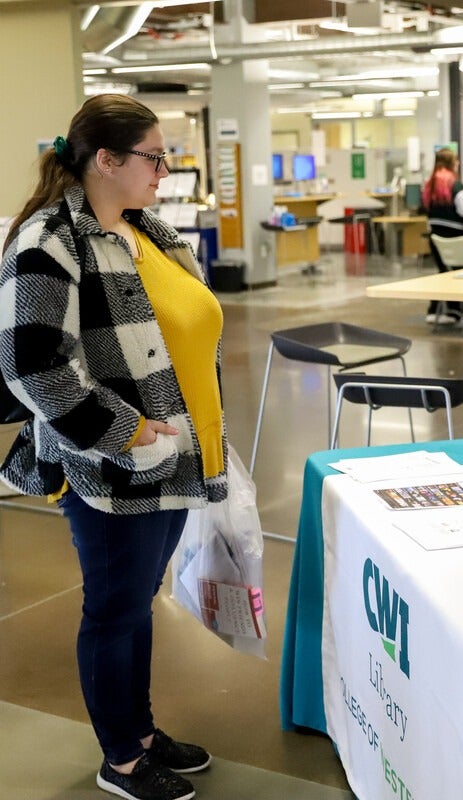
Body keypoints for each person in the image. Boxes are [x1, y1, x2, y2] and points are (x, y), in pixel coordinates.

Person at [0, 94, 227, 800]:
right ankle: (120, 759)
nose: (165, 169)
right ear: (107, 159)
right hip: (110, 465)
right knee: (114, 608)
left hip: (175, 455)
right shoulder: (49, 241)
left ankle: (141, 731)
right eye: (155, 156)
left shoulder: (147, 230)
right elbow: (32, 363)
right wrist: (124, 432)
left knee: (138, 602)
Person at [421, 147, 463, 325]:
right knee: (458, 275)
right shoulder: (455, 184)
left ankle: (434, 311)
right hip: (456, 236)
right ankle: (455, 313)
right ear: (452, 163)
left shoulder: (430, 184)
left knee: (442, 274)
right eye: (456, 161)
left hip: (436, 236)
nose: (458, 164)